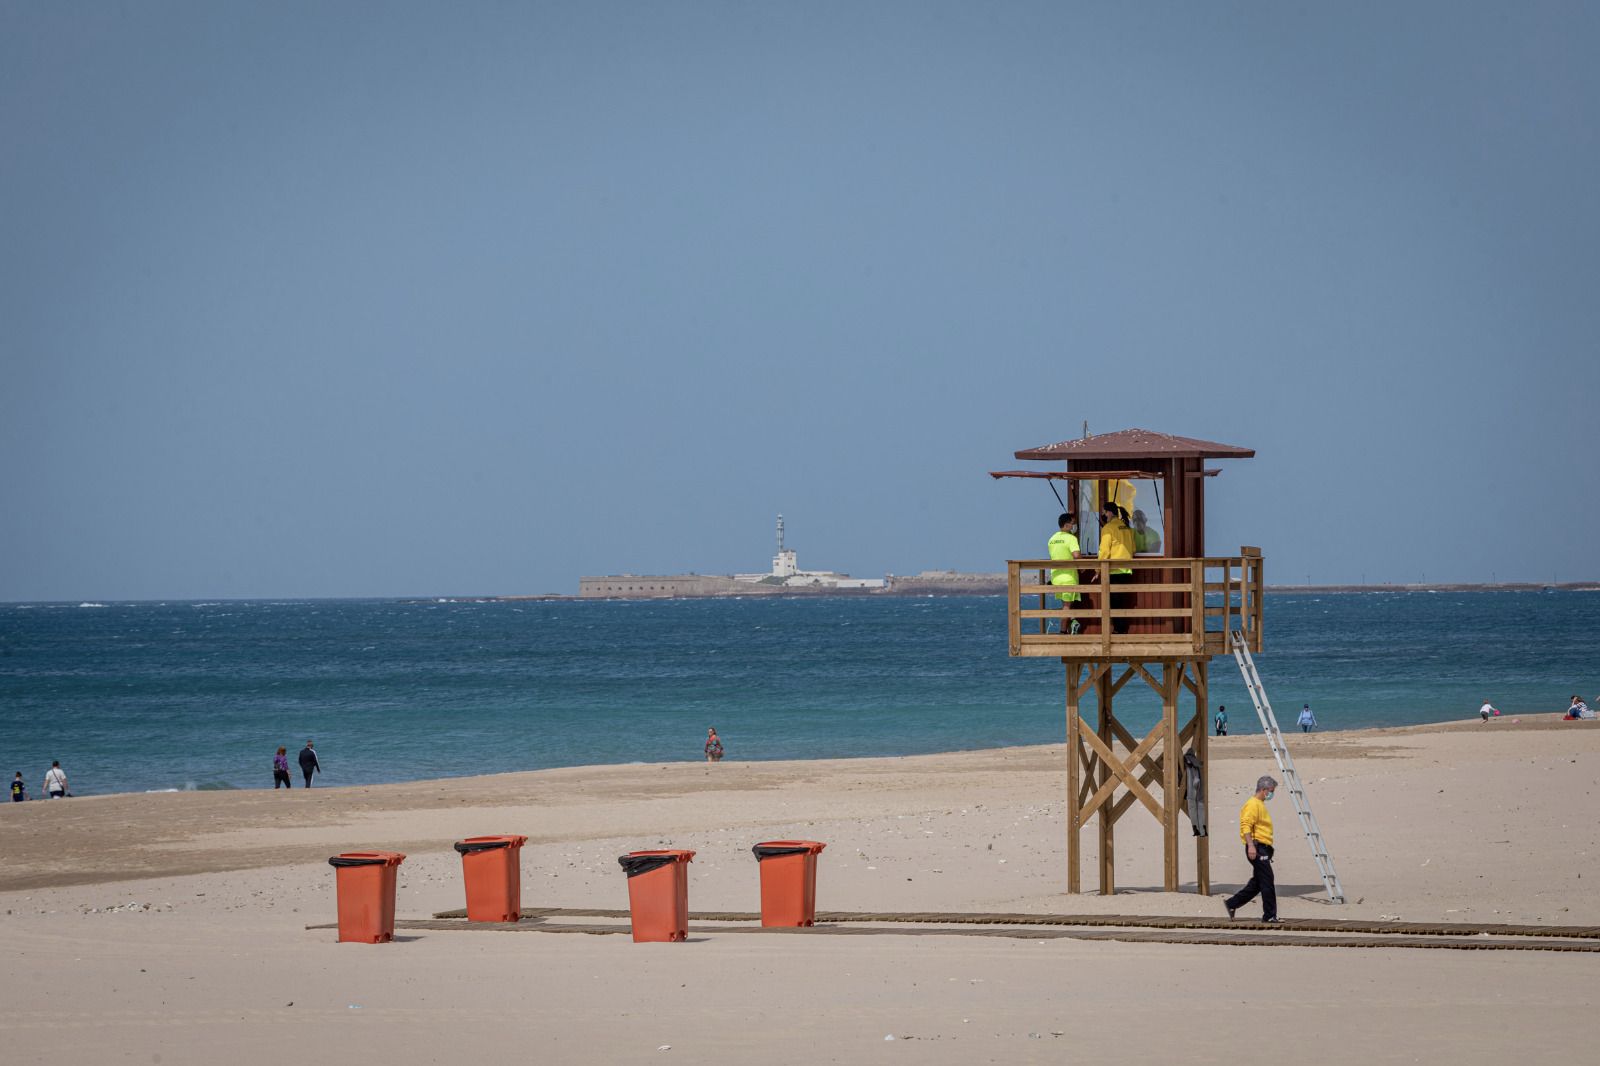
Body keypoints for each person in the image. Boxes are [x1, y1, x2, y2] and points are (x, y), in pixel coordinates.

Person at [1224, 774, 1280, 922]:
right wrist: (1250, 846)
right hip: (1256, 846)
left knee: (1258, 882)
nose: (1272, 794)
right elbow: (1245, 826)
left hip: (1263, 847)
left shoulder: (1260, 804)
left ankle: (1232, 903)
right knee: (1267, 880)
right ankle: (1269, 915)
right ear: (1263, 790)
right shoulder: (1252, 804)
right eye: (1271, 791)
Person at [1097, 503, 1136, 633]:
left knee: (1114, 602)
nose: (1102, 515)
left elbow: (1104, 552)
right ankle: (1121, 630)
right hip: (1127, 570)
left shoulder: (1108, 528)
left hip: (1113, 571)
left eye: (1103, 512)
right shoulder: (1126, 527)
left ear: (1108, 513)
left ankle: (1118, 630)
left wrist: (1097, 570)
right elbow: (1133, 549)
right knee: (1122, 601)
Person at [1046, 512, 1082, 634]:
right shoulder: (1071, 538)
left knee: (1065, 603)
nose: (1073, 526)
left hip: (1056, 577)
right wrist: (1083, 567)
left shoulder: (1052, 539)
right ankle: (1063, 631)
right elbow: (1076, 555)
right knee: (1067, 605)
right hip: (1068, 577)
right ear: (1067, 525)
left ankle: (1072, 621)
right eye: (1072, 524)